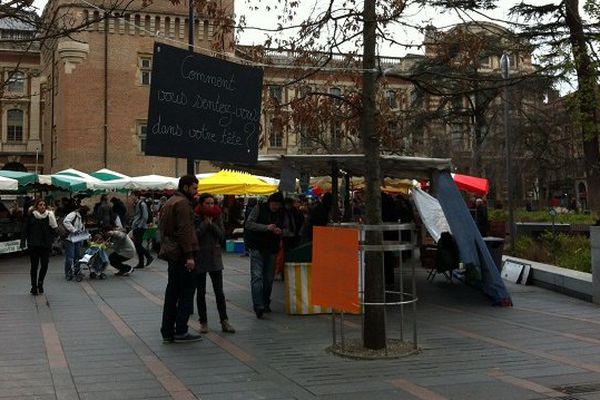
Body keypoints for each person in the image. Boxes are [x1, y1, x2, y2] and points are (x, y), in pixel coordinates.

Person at [159, 175, 202, 343]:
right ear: (185, 187)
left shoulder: (170, 201)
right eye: (194, 188)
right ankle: (181, 330)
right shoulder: (183, 203)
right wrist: (190, 256)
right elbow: (185, 231)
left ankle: (167, 331)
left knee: (172, 292)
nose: (196, 191)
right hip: (182, 254)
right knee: (186, 292)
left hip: (172, 253)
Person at [194, 193, 235, 334]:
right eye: (207, 203)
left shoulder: (217, 215)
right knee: (200, 292)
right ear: (201, 204)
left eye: (212, 203)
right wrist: (205, 224)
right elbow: (194, 235)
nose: (210, 206)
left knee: (219, 292)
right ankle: (203, 322)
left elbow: (222, 235)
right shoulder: (196, 216)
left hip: (214, 257)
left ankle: (224, 320)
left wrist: (212, 226)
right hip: (199, 257)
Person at [245, 192, 287, 318]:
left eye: (278, 205)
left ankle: (265, 302)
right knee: (257, 276)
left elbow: (287, 229)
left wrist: (281, 231)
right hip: (257, 247)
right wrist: (266, 227)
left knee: (268, 278)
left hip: (272, 249)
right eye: (274, 204)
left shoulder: (281, 213)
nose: (275, 207)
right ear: (269, 202)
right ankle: (258, 306)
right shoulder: (259, 208)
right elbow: (249, 224)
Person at [21, 199, 58, 295]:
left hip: (45, 245)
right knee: (34, 266)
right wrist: (23, 241)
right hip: (33, 245)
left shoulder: (49, 216)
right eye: (40, 205)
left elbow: (54, 229)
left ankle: (40, 283)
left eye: (44, 205)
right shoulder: (31, 216)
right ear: (36, 206)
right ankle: (34, 286)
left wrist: (51, 238)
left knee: (45, 265)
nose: (42, 206)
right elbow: (25, 229)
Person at [63, 204, 90, 280]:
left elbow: (81, 228)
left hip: (77, 239)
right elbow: (66, 221)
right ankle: (68, 273)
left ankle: (77, 271)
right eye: (86, 212)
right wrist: (73, 230)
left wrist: (86, 235)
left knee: (77, 257)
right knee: (70, 257)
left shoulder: (81, 217)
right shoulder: (73, 214)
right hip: (70, 239)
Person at [131, 193, 154, 269]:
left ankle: (149, 256)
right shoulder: (137, 204)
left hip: (140, 227)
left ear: (136, 196)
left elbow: (145, 216)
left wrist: (139, 225)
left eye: (132, 195)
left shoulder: (142, 204)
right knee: (137, 245)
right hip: (136, 227)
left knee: (138, 244)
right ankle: (141, 262)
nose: (131, 197)